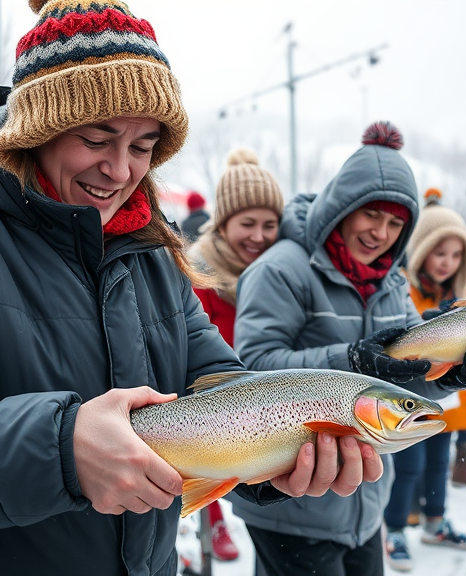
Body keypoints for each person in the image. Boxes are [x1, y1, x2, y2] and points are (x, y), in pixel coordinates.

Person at [0, 3, 383, 575]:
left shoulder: (151, 254)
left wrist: (282, 449)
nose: (120, 170)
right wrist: (62, 449)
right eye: (97, 139)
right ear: (36, 131)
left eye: (143, 147)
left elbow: (219, 389)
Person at [228, 122, 466, 576]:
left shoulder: (391, 282)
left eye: (395, 223)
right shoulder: (281, 270)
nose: (380, 233)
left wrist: (449, 375)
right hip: (291, 497)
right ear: (343, 207)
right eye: (371, 215)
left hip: (365, 501)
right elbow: (250, 373)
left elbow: (401, 376)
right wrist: (350, 360)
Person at [380, 195, 466, 571]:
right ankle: (395, 528)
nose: (447, 263)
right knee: (408, 466)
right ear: (420, 253)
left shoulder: (460, 296)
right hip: (409, 398)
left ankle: (435, 521)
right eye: (439, 254)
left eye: (455, 255)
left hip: (446, 397)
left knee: (438, 463)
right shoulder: (404, 292)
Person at [187, 147, 284, 563]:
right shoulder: (198, 273)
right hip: (216, 389)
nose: (259, 236)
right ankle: (214, 519)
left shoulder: (279, 272)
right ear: (223, 224)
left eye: (269, 225)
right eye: (247, 224)